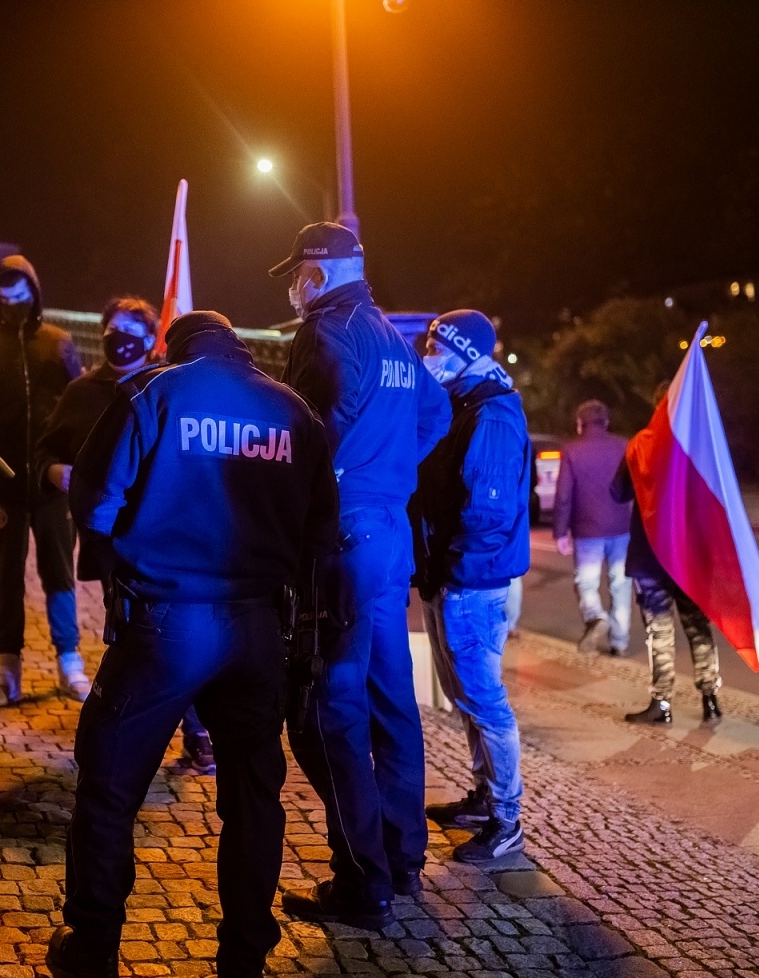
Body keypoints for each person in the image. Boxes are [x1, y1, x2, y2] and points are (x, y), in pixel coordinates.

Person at [51, 311, 339, 978]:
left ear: (177, 348)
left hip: (168, 624)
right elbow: (320, 533)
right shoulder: (291, 411)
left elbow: (92, 503)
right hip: (256, 628)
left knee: (109, 783)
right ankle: (241, 973)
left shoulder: (155, 394)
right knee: (252, 799)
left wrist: (145, 536)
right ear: (238, 347)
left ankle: (93, 950)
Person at [271, 223, 453, 929]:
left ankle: (363, 880)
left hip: (341, 538)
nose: (292, 286)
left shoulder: (325, 333)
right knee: (390, 700)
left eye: (296, 273)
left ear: (317, 273)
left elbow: (309, 428)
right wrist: (388, 471)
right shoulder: (389, 332)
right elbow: (434, 413)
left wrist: (330, 482)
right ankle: (403, 858)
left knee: (325, 711)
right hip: (388, 533)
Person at [35, 296, 217, 773]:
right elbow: (45, 452)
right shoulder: (81, 393)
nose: (119, 339)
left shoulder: (169, 387)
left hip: (165, 536)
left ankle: (191, 729)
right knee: (137, 637)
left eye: (129, 331)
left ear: (149, 338)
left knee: (168, 633)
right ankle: (131, 736)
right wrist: (56, 473)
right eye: (111, 329)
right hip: (109, 540)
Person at [412, 311, 532, 865]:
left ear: (465, 350)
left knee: (486, 702)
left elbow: (487, 511)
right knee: (465, 699)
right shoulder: (464, 404)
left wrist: (455, 573)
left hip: (470, 583)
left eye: (438, 343)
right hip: (450, 576)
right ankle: (486, 798)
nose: (428, 351)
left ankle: (507, 820)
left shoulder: (491, 414)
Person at [0, 256, 88, 705]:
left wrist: (77, 459)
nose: (14, 304)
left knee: (60, 572)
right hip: (2, 482)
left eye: (22, 295)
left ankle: (69, 661)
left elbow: (79, 403)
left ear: (35, 292)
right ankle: (8, 667)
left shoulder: (59, 344)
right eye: (6, 297)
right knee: (6, 576)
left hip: (52, 484)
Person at [612, 432, 722, 725]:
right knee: (698, 628)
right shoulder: (698, 446)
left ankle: (661, 703)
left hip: (652, 556)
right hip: (690, 557)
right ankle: (710, 698)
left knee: (659, 631)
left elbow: (618, 491)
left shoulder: (642, 444)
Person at [553, 399, 633, 656]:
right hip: (621, 527)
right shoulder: (623, 446)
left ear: (580, 424)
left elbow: (564, 495)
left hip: (586, 529)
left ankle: (596, 615)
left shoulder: (571, 450)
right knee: (620, 584)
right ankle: (619, 642)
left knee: (586, 583)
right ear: (606, 422)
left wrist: (560, 532)